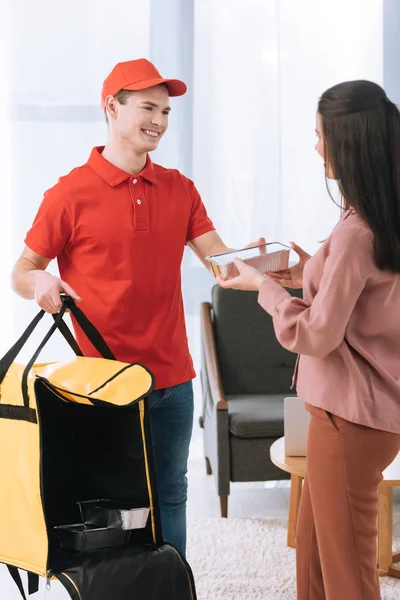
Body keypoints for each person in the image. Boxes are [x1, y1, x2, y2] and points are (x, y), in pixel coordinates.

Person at [10, 58, 262, 558]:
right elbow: (21, 272)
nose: (160, 122)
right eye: (149, 107)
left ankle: (171, 588)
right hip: (101, 382)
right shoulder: (68, 194)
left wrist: (260, 266)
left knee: (171, 494)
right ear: (112, 107)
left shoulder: (179, 189)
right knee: (108, 503)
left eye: (166, 112)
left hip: (172, 378)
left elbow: (221, 263)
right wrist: (40, 280)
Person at [217, 80, 400, 599]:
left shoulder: (355, 231)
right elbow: (362, 295)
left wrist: (266, 288)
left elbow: (317, 335)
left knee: (345, 570)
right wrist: (304, 273)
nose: (315, 145)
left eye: (320, 134)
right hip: (361, 415)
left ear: (348, 140)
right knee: (316, 555)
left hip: (347, 419)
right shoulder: (377, 218)